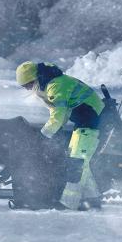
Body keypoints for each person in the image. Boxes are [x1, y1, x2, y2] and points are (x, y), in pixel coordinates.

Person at [16, 61, 104, 210]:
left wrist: (44, 135)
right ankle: (93, 199)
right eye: (25, 87)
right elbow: (58, 113)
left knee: (76, 164)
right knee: (81, 162)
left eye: (29, 84)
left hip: (91, 121)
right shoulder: (49, 84)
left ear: (36, 78)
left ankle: (68, 203)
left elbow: (59, 114)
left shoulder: (56, 85)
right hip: (84, 121)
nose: (29, 88)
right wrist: (54, 132)